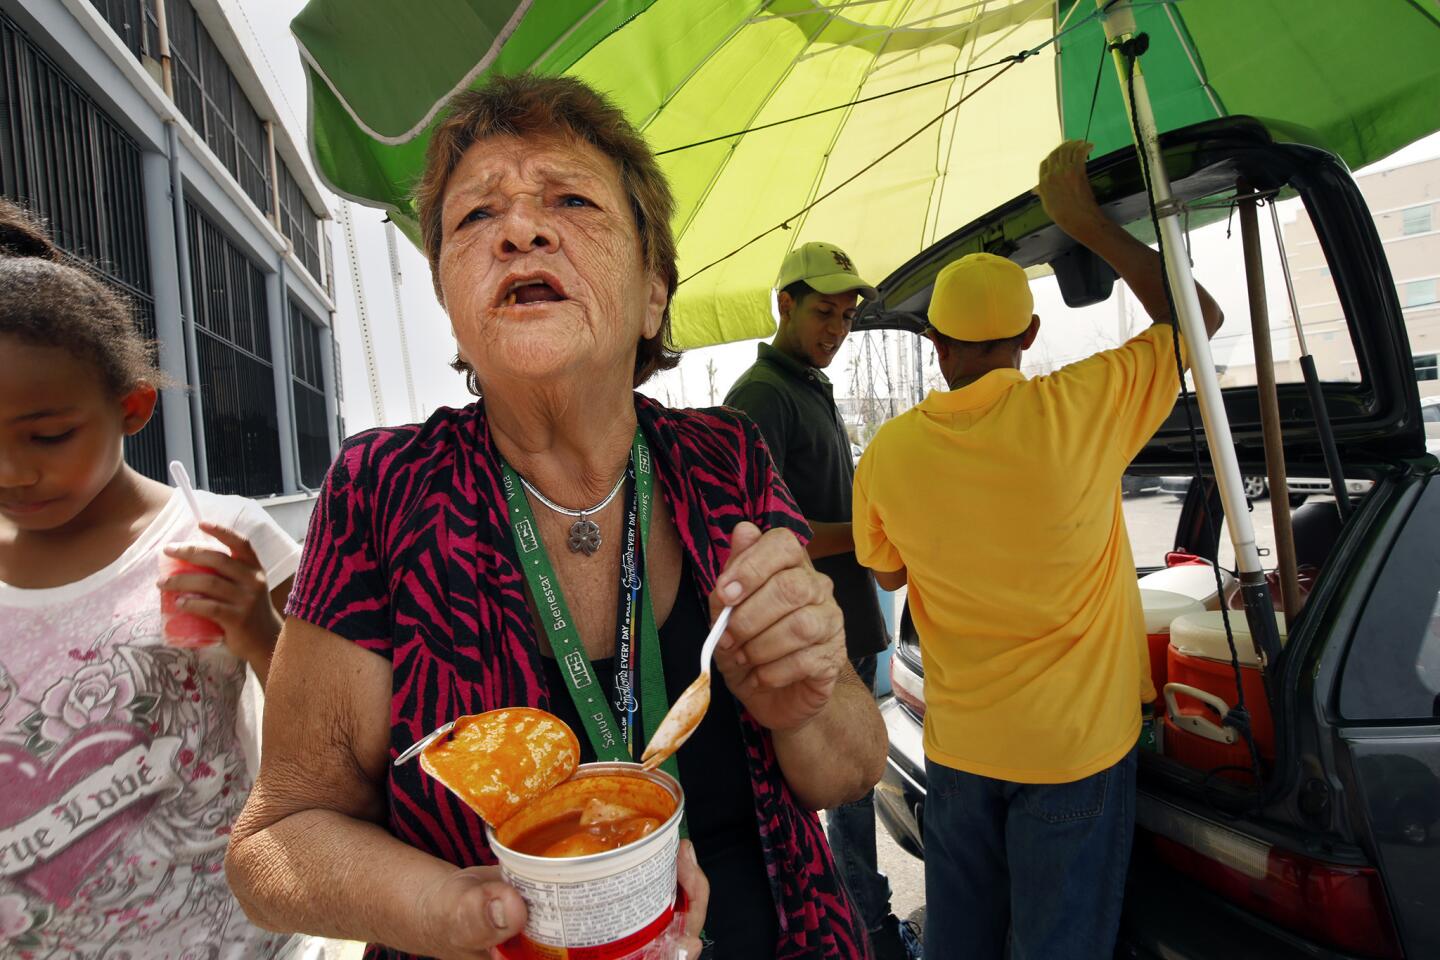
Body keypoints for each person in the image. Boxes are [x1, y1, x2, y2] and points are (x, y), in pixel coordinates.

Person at [225, 74, 887, 960]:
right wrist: (456, 912)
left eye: (570, 200)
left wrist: (803, 702)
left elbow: (848, 769)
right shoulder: (384, 489)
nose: (521, 230)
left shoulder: (726, 459)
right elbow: (274, 843)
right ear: (452, 308)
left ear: (655, 290)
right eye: (474, 219)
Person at [852, 140, 1224, 959]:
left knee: (962, 945)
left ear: (937, 344)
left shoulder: (888, 452)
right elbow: (1200, 321)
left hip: (959, 752)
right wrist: (1088, 226)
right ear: (1030, 333)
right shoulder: (1082, 407)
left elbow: (885, 571)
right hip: (1074, 754)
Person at [0, 200, 301, 957]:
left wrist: (260, 631)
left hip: (227, 940)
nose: (13, 471)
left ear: (132, 408)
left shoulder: (223, 536)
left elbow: (339, 726)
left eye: (48, 436)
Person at [724, 244, 907, 958]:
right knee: (831, 795)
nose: (837, 328)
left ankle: (862, 918)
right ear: (785, 306)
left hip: (842, 622)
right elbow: (763, 532)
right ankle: (864, 928)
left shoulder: (807, 382)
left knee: (852, 789)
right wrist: (874, 533)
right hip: (798, 637)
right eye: (824, 312)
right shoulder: (763, 396)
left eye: (847, 316)